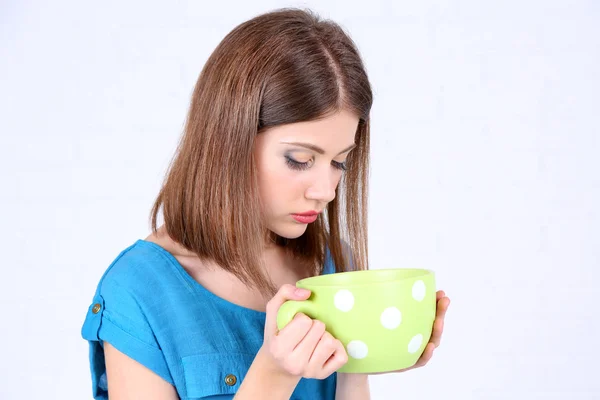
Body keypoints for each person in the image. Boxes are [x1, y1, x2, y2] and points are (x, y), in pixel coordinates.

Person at [81, 7, 451, 400]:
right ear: (228, 141)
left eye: (339, 161)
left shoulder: (330, 264)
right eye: (300, 160)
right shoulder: (139, 290)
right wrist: (273, 375)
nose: (325, 190)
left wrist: (364, 360)